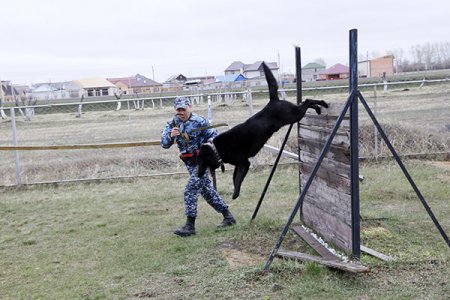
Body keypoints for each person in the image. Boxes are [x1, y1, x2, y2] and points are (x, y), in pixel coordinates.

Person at [161, 96, 236, 237]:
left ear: (190, 107)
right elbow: (164, 144)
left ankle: (190, 226)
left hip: (203, 163)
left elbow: (215, 138)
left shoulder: (199, 121)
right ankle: (228, 217)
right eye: (178, 109)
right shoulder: (173, 123)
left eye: (183, 109)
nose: (181, 112)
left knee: (190, 190)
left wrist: (207, 149)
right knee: (207, 192)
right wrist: (171, 136)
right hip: (189, 164)